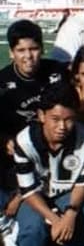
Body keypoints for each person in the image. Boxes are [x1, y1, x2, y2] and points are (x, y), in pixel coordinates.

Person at [13, 83, 84, 246]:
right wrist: (54, 219)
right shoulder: (24, 141)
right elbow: (28, 189)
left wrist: (70, 213)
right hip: (36, 196)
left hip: (67, 193)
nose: (62, 126)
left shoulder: (83, 137)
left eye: (69, 119)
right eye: (55, 119)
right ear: (41, 115)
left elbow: (83, 183)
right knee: (31, 226)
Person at [0, 20, 69, 150]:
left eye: (33, 49)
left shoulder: (59, 71)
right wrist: (5, 139)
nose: (28, 56)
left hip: (60, 140)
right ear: (11, 53)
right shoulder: (2, 81)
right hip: (20, 146)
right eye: (21, 50)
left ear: (42, 49)